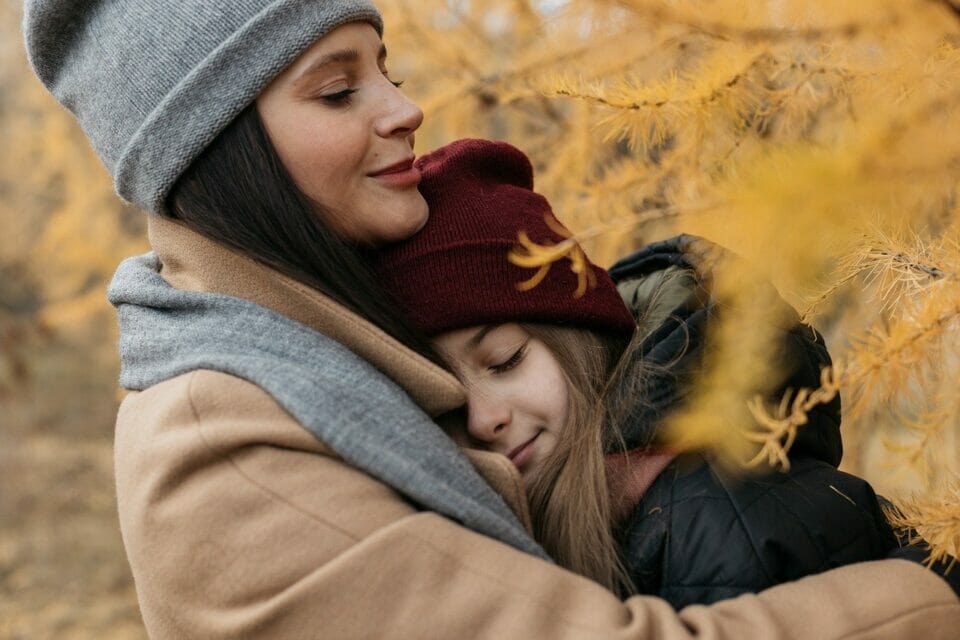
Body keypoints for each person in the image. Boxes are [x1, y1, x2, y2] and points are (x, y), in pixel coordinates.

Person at [22, 1, 960, 638]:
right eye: (338, 89)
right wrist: (931, 600)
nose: (406, 108)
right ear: (221, 153)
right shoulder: (223, 450)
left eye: (384, 70)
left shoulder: (322, 345)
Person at [372, 138, 904, 605]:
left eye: (507, 360)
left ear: (579, 336)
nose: (485, 418)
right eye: (445, 396)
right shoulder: (574, 513)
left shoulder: (713, 519)